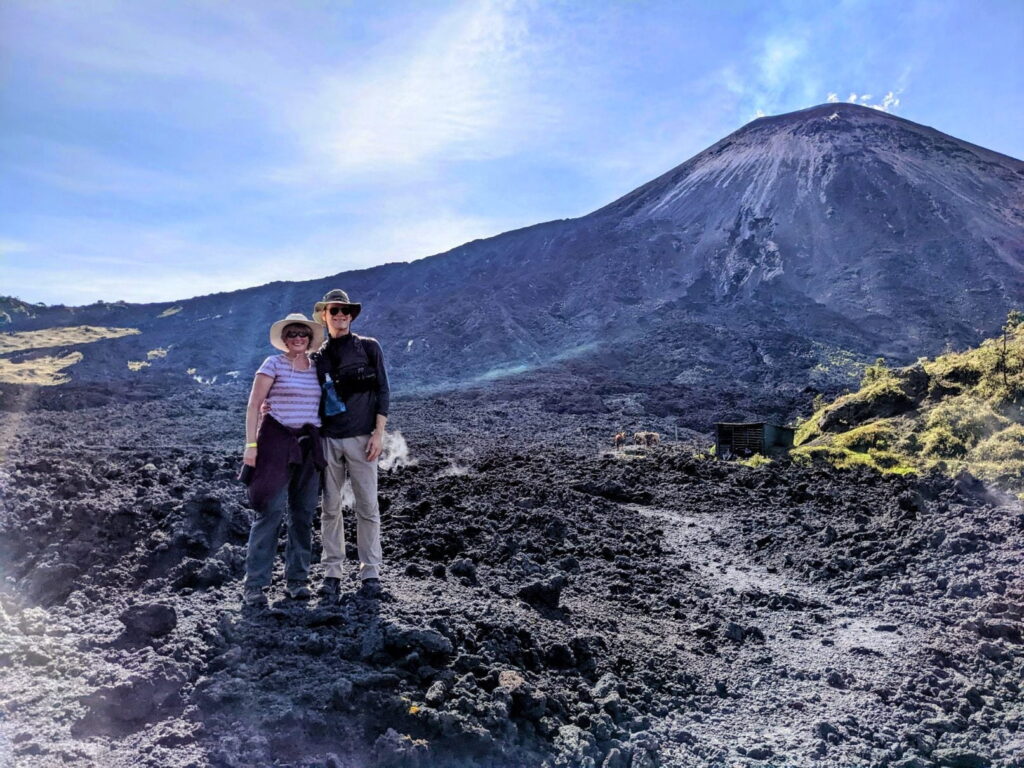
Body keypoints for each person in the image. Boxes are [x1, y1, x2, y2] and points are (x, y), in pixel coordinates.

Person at [241, 313, 326, 608]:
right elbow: (254, 405)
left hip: (308, 446)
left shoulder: (317, 368)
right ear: (284, 339)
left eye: (303, 333)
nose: (298, 338)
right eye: (292, 334)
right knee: (270, 511)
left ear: (310, 337)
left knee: (303, 515)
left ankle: (298, 581)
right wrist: (251, 445)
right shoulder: (272, 364)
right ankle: (255, 585)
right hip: (275, 444)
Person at [311, 288, 389, 599]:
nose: (341, 316)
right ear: (324, 315)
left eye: (345, 311)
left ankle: (370, 571)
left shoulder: (369, 348)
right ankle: (332, 570)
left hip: (361, 439)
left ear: (351, 315)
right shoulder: (318, 357)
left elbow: (382, 390)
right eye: (335, 311)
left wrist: (378, 433)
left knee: (367, 507)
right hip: (329, 440)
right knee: (330, 508)